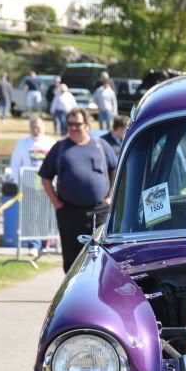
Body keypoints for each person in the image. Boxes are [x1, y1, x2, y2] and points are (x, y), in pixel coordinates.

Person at [38, 108, 118, 272]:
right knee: (71, 259)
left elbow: (116, 171)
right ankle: (72, 295)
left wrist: (109, 197)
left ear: (87, 125)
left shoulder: (101, 145)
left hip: (100, 211)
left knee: (102, 256)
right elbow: (45, 178)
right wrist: (57, 204)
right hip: (69, 212)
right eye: (70, 125)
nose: (73, 128)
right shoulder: (60, 148)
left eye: (77, 124)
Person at [9, 115, 56, 184]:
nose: (35, 130)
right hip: (27, 184)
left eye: (37, 127)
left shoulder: (51, 142)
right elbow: (15, 163)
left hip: (47, 184)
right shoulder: (22, 143)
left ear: (43, 127)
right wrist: (17, 181)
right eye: (33, 127)